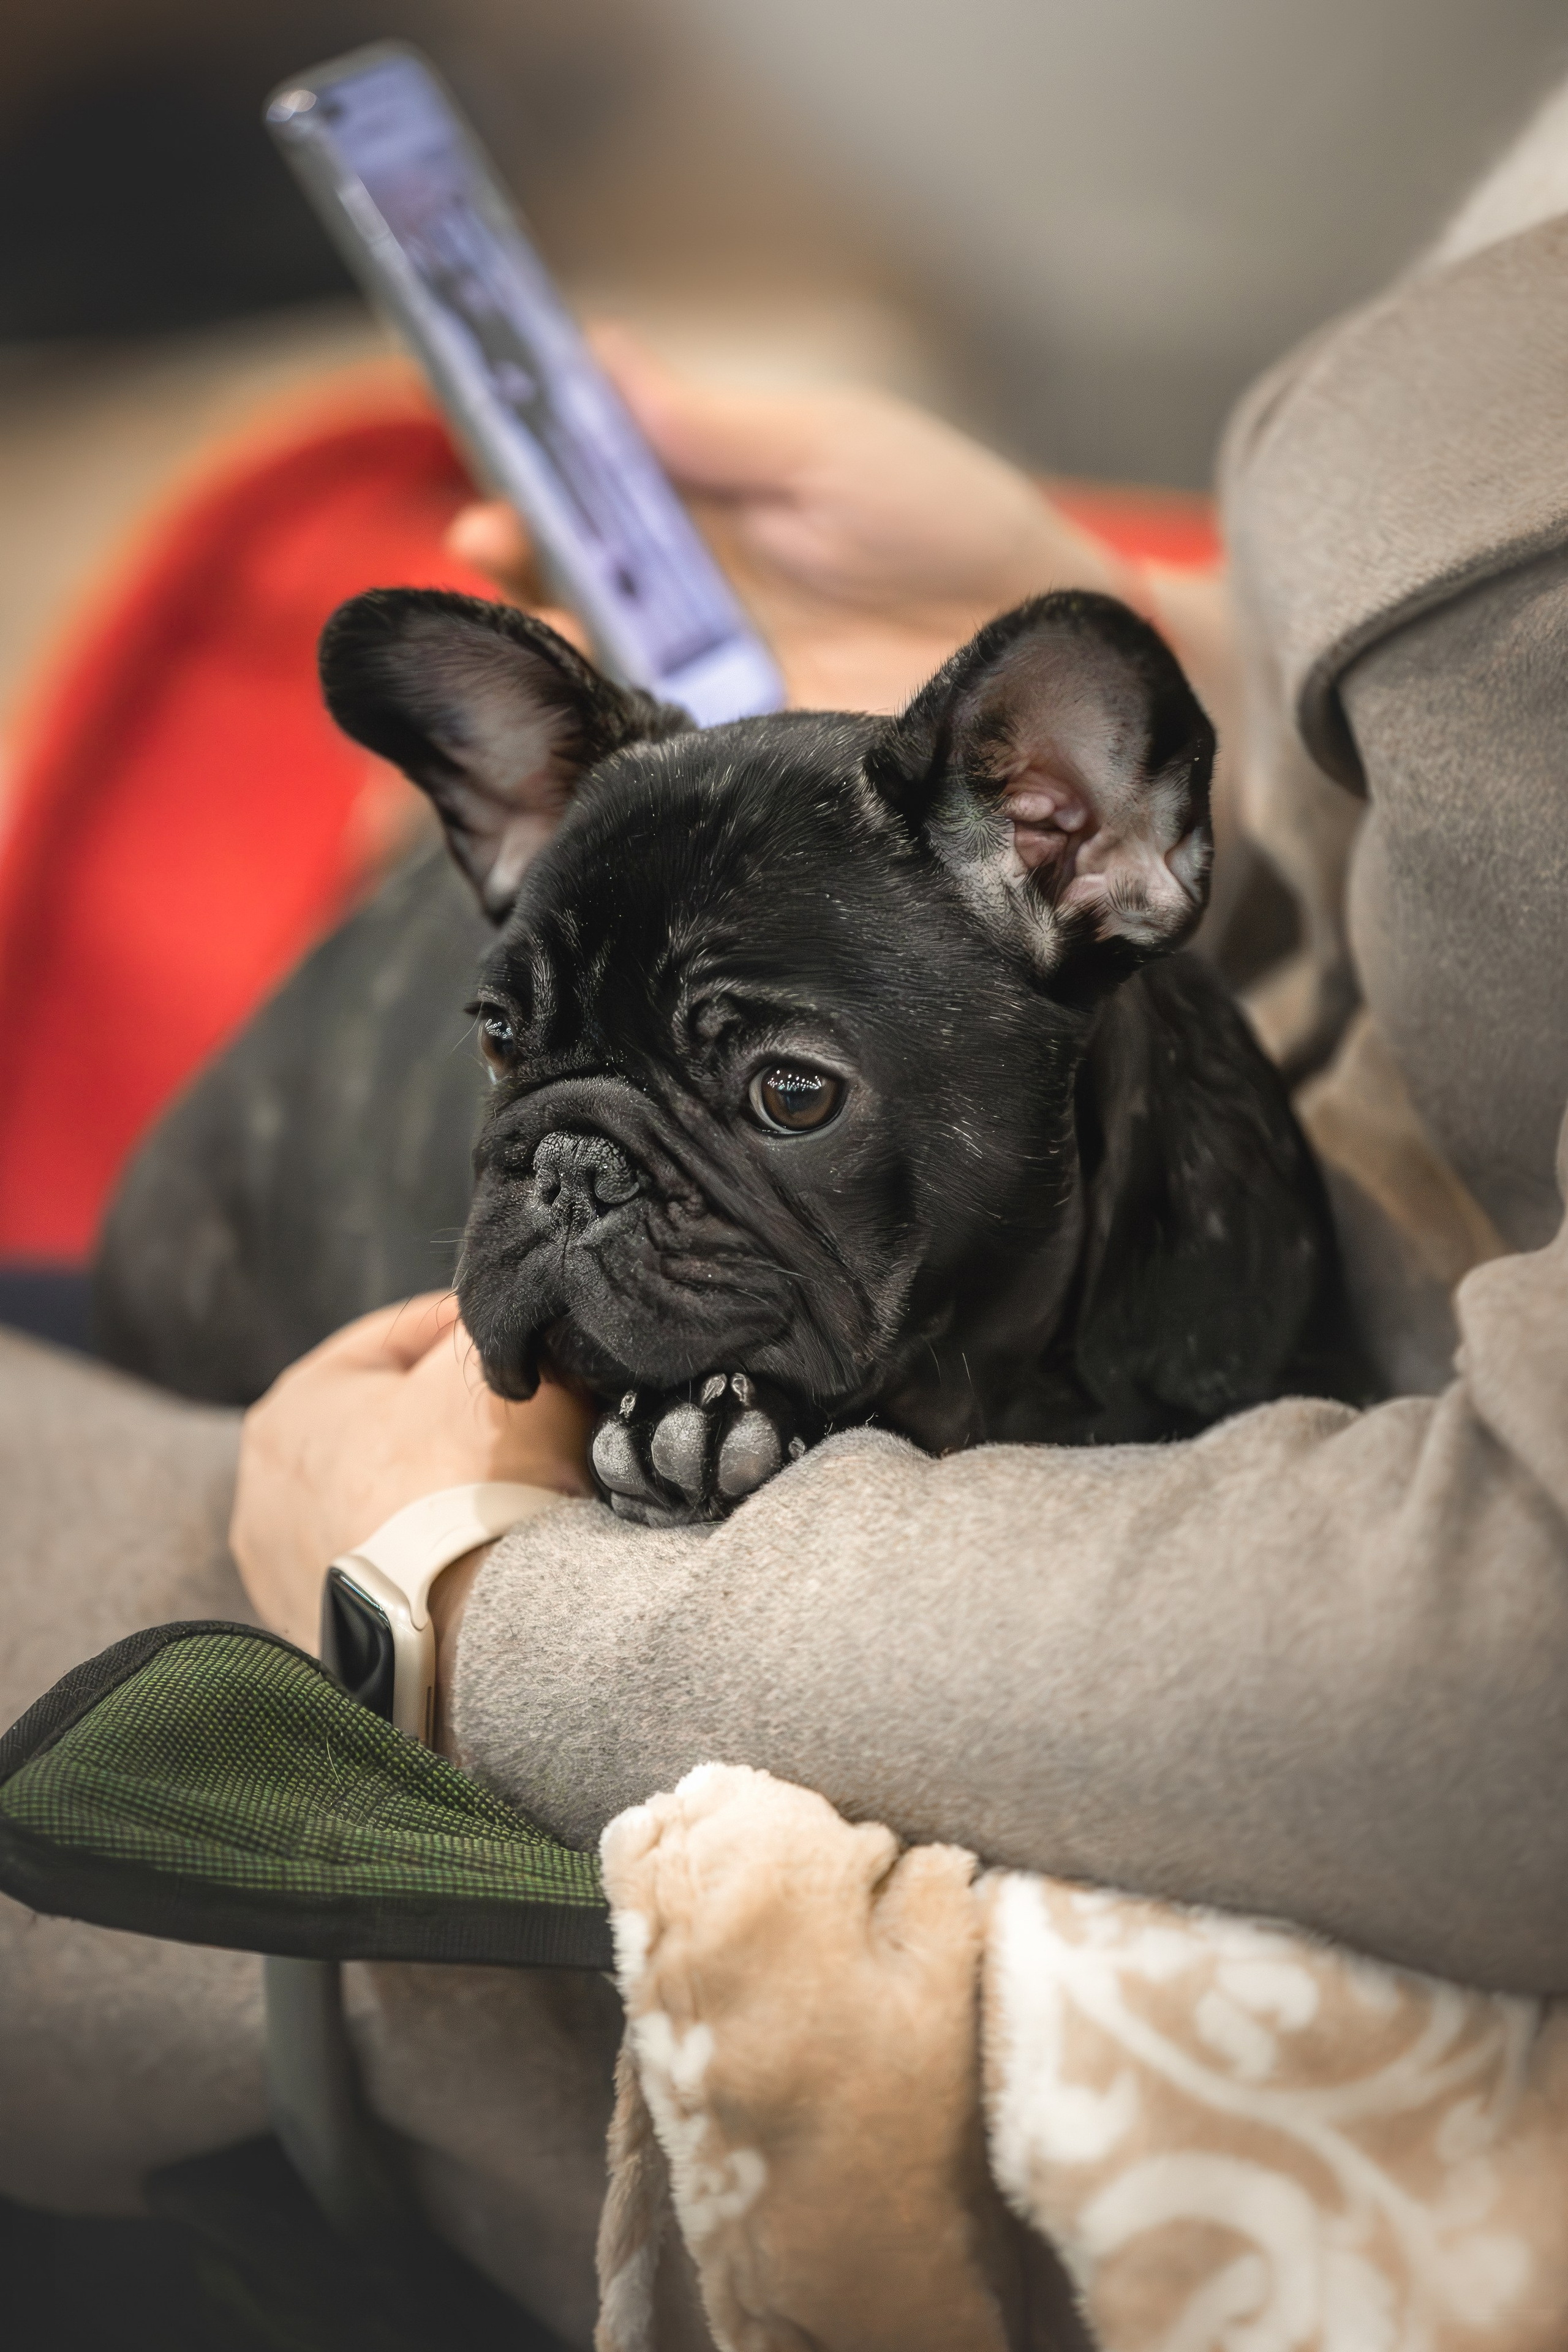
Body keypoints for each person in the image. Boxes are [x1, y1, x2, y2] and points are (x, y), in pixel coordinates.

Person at [7, 77, 1568, 2348]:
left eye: (774, 1091)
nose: (565, 1162)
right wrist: (1189, 656)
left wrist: (462, 1604)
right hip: (345, 1284)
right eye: (526, 1057)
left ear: (1086, 848)